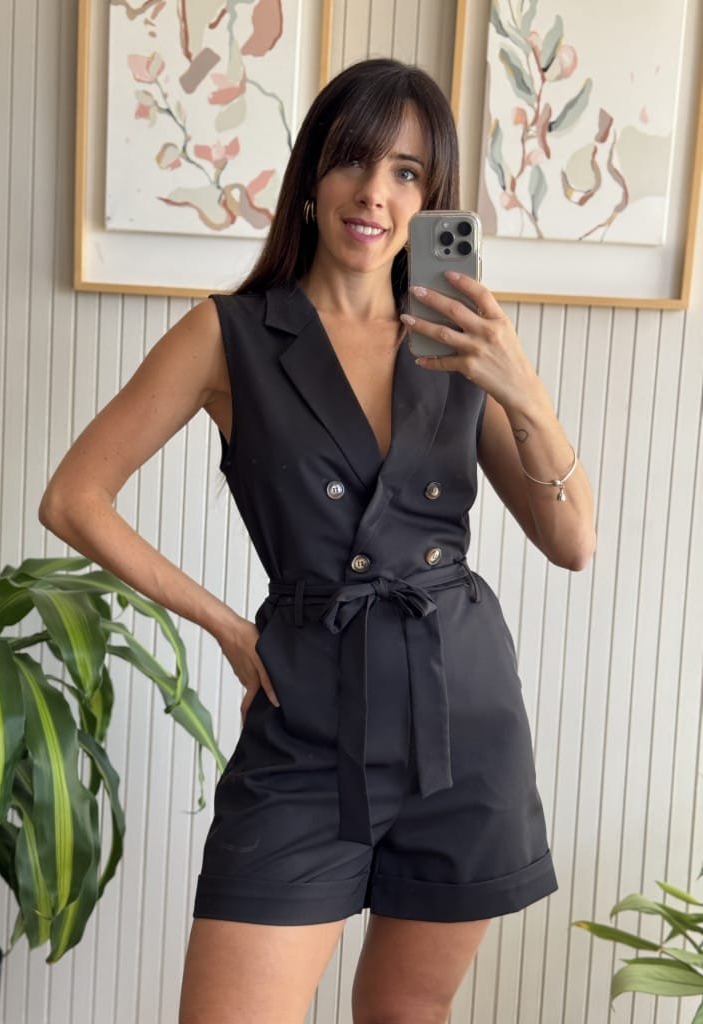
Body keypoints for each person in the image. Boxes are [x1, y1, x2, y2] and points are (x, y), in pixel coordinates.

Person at [40, 58, 595, 1024]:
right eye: (354, 159)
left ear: (432, 199)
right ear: (311, 177)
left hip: (464, 721)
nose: (376, 192)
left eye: (407, 172)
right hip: (305, 722)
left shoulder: (459, 338)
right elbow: (74, 499)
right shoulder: (229, 335)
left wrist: (525, 392)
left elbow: (573, 540)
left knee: (402, 1015)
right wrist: (226, 626)